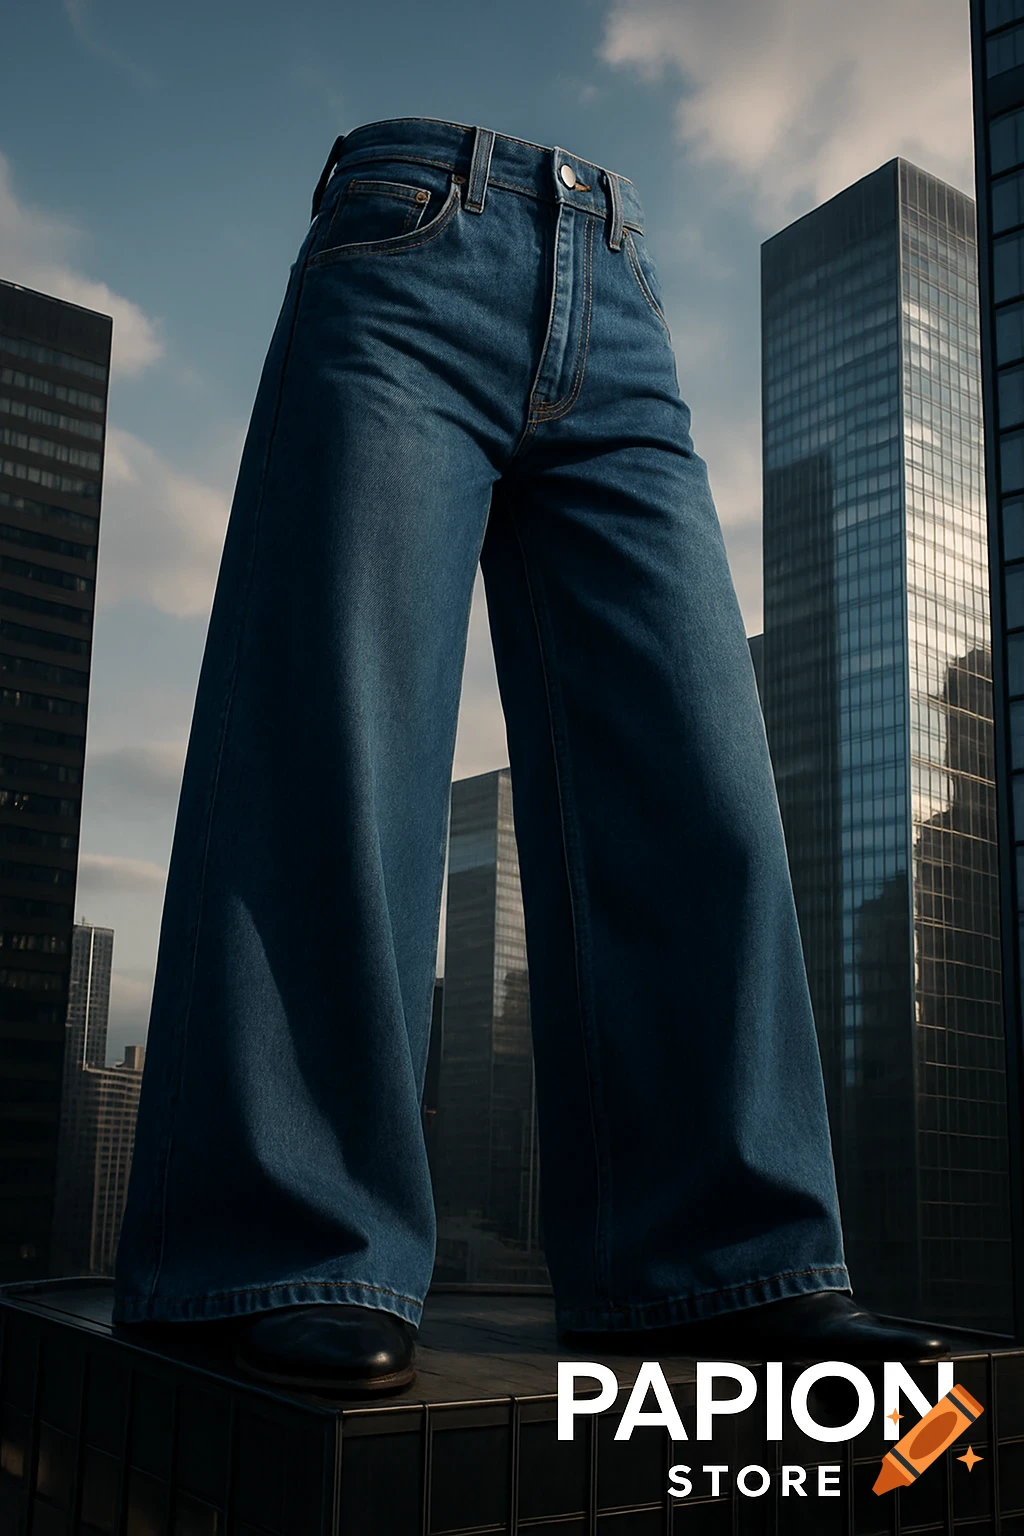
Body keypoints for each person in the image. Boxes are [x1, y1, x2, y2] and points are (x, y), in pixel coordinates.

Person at [112, 118, 951, 1394]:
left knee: (701, 795)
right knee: (344, 738)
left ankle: (722, 1268)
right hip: (403, 243)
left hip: (619, 285)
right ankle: (284, 1250)